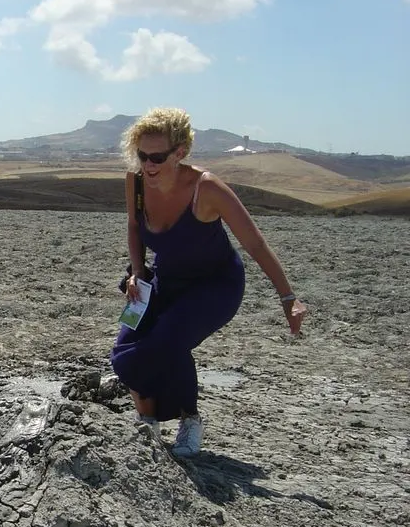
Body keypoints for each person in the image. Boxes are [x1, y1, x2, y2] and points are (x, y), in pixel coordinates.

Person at [110, 107, 307, 457]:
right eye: (142, 155)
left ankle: (190, 420)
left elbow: (255, 242)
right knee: (128, 345)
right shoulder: (136, 180)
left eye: (157, 157)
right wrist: (138, 272)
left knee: (165, 340)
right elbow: (132, 226)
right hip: (167, 278)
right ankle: (148, 424)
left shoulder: (207, 188)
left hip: (215, 286)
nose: (148, 164)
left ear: (180, 152)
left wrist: (287, 296)